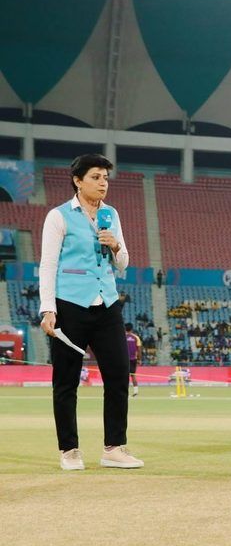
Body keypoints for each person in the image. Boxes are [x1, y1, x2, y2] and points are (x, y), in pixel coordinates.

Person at [39, 153, 143, 470]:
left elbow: (123, 264)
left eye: (106, 178)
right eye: (96, 177)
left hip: (107, 303)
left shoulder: (111, 215)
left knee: (117, 376)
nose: (102, 183)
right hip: (70, 305)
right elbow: (48, 264)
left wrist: (115, 246)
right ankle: (69, 450)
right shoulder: (58, 217)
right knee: (66, 381)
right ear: (78, 180)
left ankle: (114, 447)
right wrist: (48, 309)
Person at [125, 323, 141, 397]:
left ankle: (125, 392)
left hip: (124, 359)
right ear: (132, 329)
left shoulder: (122, 337)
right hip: (133, 359)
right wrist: (139, 359)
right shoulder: (136, 337)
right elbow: (139, 349)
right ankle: (136, 392)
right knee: (133, 375)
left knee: (124, 376)